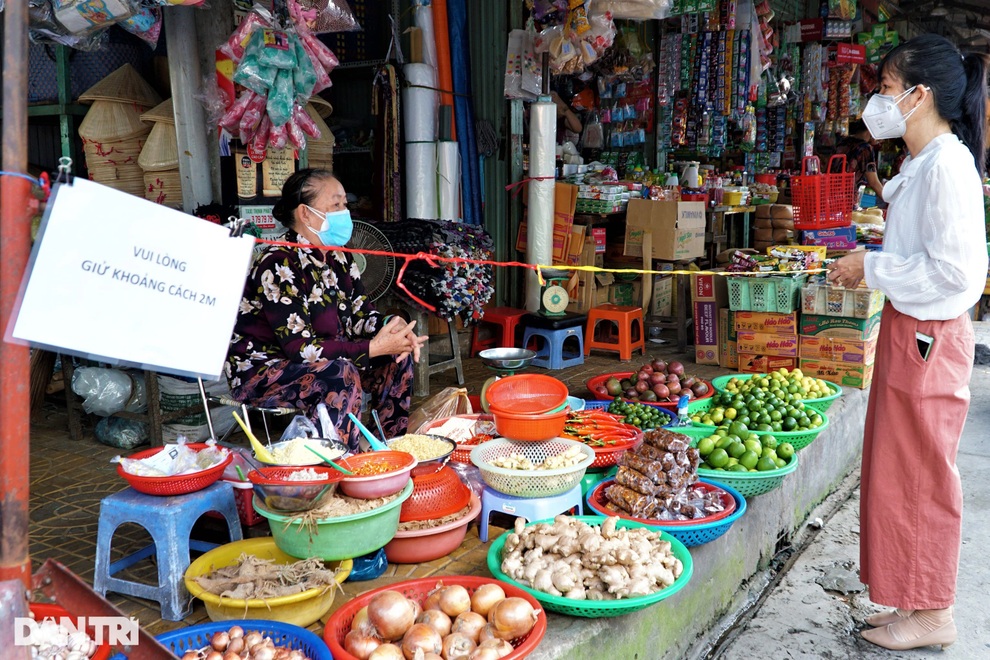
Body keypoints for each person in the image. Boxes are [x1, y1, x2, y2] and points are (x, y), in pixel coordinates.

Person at [826, 34, 988, 651]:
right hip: (910, 328)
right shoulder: (923, 163)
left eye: (888, 90)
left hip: (929, 334)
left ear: (920, 96)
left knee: (921, 473)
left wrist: (871, 269)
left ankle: (933, 612)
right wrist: (877, 268)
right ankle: (910, 599)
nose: (879, 101)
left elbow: (957, 275)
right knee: (896, 470)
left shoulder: (948, 166)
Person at [224, 168, 427, 451]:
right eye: (335, 205)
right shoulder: (278, 262)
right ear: (305, 214)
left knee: (396, 357)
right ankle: (339, 464)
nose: (344, 212)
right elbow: (299, 349)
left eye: (344, 204)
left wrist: (392, 328)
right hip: (264, 370)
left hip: (329, 360)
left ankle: (387, 450)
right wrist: (370, 349)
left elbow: (360, 314)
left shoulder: (339, 257)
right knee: (340, 373)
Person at [834, 119, 885, 198]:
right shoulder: (865, 149)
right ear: (871, 130)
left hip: (830, 193)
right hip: (846, 199)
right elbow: (874, 183)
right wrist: (891, 202)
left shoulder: (842, 142)